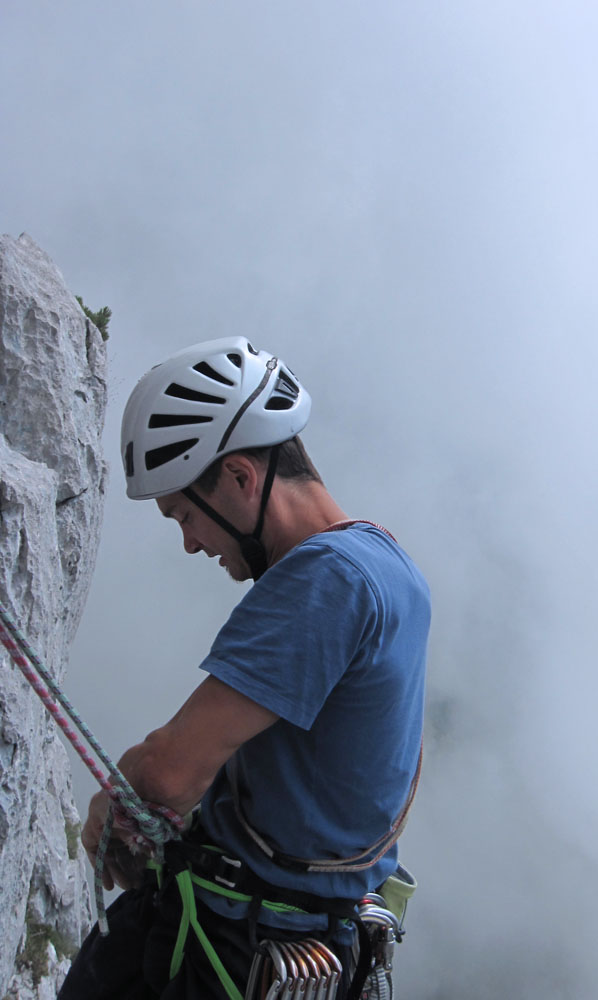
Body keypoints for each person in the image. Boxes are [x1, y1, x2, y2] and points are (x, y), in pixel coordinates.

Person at [59, 337, 430, 1000]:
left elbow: (171, 771)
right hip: (319, 939)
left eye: (183, 515)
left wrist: (109, 805)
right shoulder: (388, 564)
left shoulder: (325, 580)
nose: (190, 543)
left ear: (238, 476)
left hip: (230, 944)